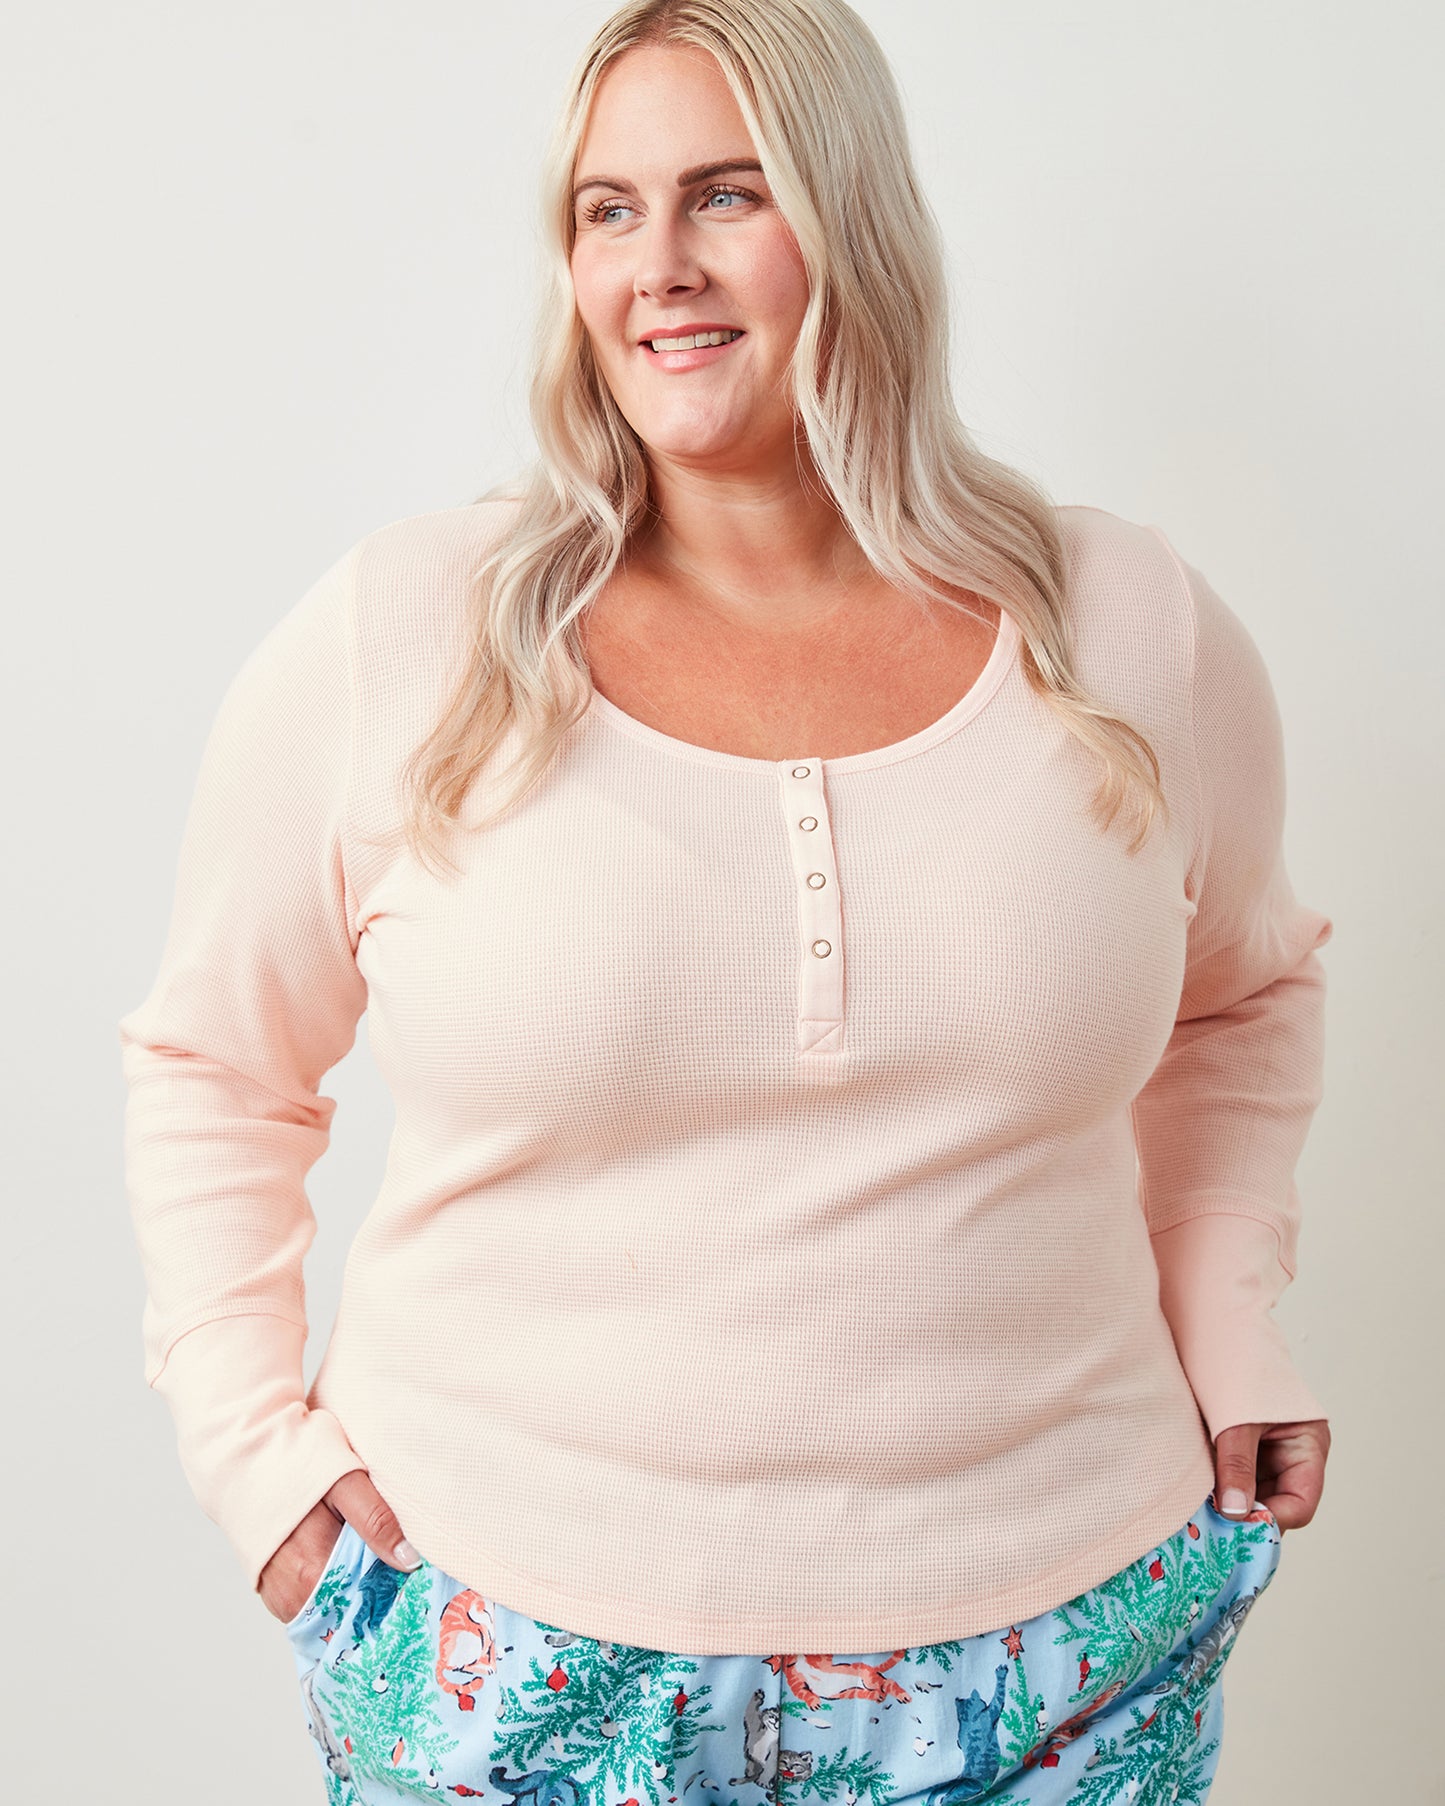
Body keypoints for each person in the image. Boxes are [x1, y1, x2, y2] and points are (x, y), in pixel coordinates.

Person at [117, 1, 1334, 1799]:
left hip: (1069, 1651)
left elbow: (1241, 995)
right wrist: (253, 1453)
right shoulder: (406, 638)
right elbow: (216, 1064)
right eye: (605, 210)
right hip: (506, 1649)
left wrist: (1226, 1312)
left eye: (725, 194)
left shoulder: (1128, 630)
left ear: (852, 217)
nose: (657, 267)